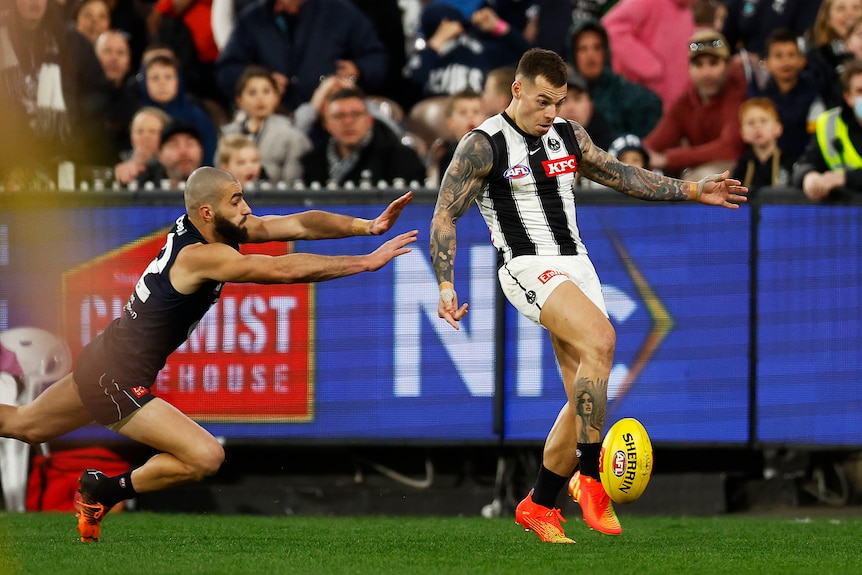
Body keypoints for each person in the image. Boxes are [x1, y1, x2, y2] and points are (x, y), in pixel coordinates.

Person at [429, 47, 747, 544]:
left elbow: (620, 174)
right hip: (527, 267)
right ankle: (592, 481)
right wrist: (446, 283)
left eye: (559, 101)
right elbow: (445, 214)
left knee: (584, 400)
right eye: (542, 101)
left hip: (579, 267)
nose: (551, 112)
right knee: (602, 339)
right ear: (517, 90)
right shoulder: (483, 144)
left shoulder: (568, 135)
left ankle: (538, 503)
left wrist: (691, 190)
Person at [0, 166, 417, 543]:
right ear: (206, 212)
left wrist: (367, 225)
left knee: (24, 425)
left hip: (104, 361)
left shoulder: (213, 229)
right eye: (236, 201)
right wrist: (363, 263)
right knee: (205, 456)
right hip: (115, 377)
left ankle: (100, 491)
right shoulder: (201, 255)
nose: (246, 209)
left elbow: (298, 223)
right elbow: (281, 271)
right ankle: (105, 491)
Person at [215, 0, 388, 112]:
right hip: (275, 116)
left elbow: (377, 59)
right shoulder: (253, 18)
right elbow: (227, 70)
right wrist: (261, 79)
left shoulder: (341, 12)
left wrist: (358, 70)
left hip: (331, 114)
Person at [643, 29, 747, 180]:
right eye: (698, 65)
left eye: (713, 63)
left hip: (736, 177)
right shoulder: (685, 102)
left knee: (702, 179)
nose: (706, 73)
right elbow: (654, 143)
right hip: (695, 171)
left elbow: (729, 149)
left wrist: (669, 159)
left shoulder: (738, 96)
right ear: (689, 69)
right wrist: (635, 155)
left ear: (727, 66)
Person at [300, 87, 426, 187]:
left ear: (370, 121)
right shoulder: (312, 162)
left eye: (356, 114)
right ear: (326, 124)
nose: (348, 122)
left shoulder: (401, 158)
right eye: (339, 116)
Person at [403, 2, 529, 97]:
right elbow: (410, 83)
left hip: (479, 116)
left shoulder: (478, 51)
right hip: (437, 119)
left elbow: (527, 58)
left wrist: (498, 26)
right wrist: (436, 43)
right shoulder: (425, 56)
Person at [567, 17, 663, 140]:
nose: (590, 55)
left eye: (597, 47)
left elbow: (653, 105)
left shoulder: (622, 90)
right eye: (582, 49)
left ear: (605, 51)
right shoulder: (561, 91)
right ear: (573, 54)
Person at [221, 65, 312, 185]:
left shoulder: (292, 136)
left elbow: (293, 182)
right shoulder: (228, 134)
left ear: (276, 97)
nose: (260, 98)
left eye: (266, 91)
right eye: (252, 93)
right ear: (239, 100)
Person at [601, 0, 695, 113]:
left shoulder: (687, 12)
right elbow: (611, 27)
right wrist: (650, 67)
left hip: (671, 109)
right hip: (640, 104)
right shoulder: (647, 2)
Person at [749, 28, 821, 164]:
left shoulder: (814, 93)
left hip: (805, 161)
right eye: (778, 56)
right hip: (769, 161)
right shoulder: (761, 97)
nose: (785, 62)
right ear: (766, 63)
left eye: (791, 55)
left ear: (802, 60)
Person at [793, 58, 862, 201]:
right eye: (860, 91)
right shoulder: (830, 124)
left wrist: (844, 178)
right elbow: (804, 164)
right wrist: (809, 177)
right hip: (847, 218)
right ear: (848, 97)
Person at [138, 51, 219, 165]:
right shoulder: (139, 118)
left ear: (178, 81)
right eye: (155, 78)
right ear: (144, 83)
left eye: (168, 77)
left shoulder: (197, 116)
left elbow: (210, 156)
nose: (162, 83)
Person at [806, 0, 862, 110]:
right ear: (827, 18)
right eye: (841, 8)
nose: (850, 14)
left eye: (856, 8)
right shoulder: (817, 58)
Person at [731, 98, 792, 192]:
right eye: (751, 123)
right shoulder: (742, 166)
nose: (757, 126)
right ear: (743, 133)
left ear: (778, 128)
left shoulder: (789, 162)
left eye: (763, 121)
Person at [136, 120, 205, 188]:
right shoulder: (141, 186)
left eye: (190, 144)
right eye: (174, 145)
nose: (183, 152)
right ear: (160, 155)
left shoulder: (214, 189)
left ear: (201, 150)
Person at [436, 89, 484, 184]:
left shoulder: (495, 151)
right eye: (463, 112)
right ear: (450, 123)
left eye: (476, 112)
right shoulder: (447, 155)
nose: (470, 116)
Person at [114, 107, 172, 185]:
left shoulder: (174, 166)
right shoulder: (118, 162)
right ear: (131, 136)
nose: (145, 137)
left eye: (153, 132)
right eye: (139, 132)